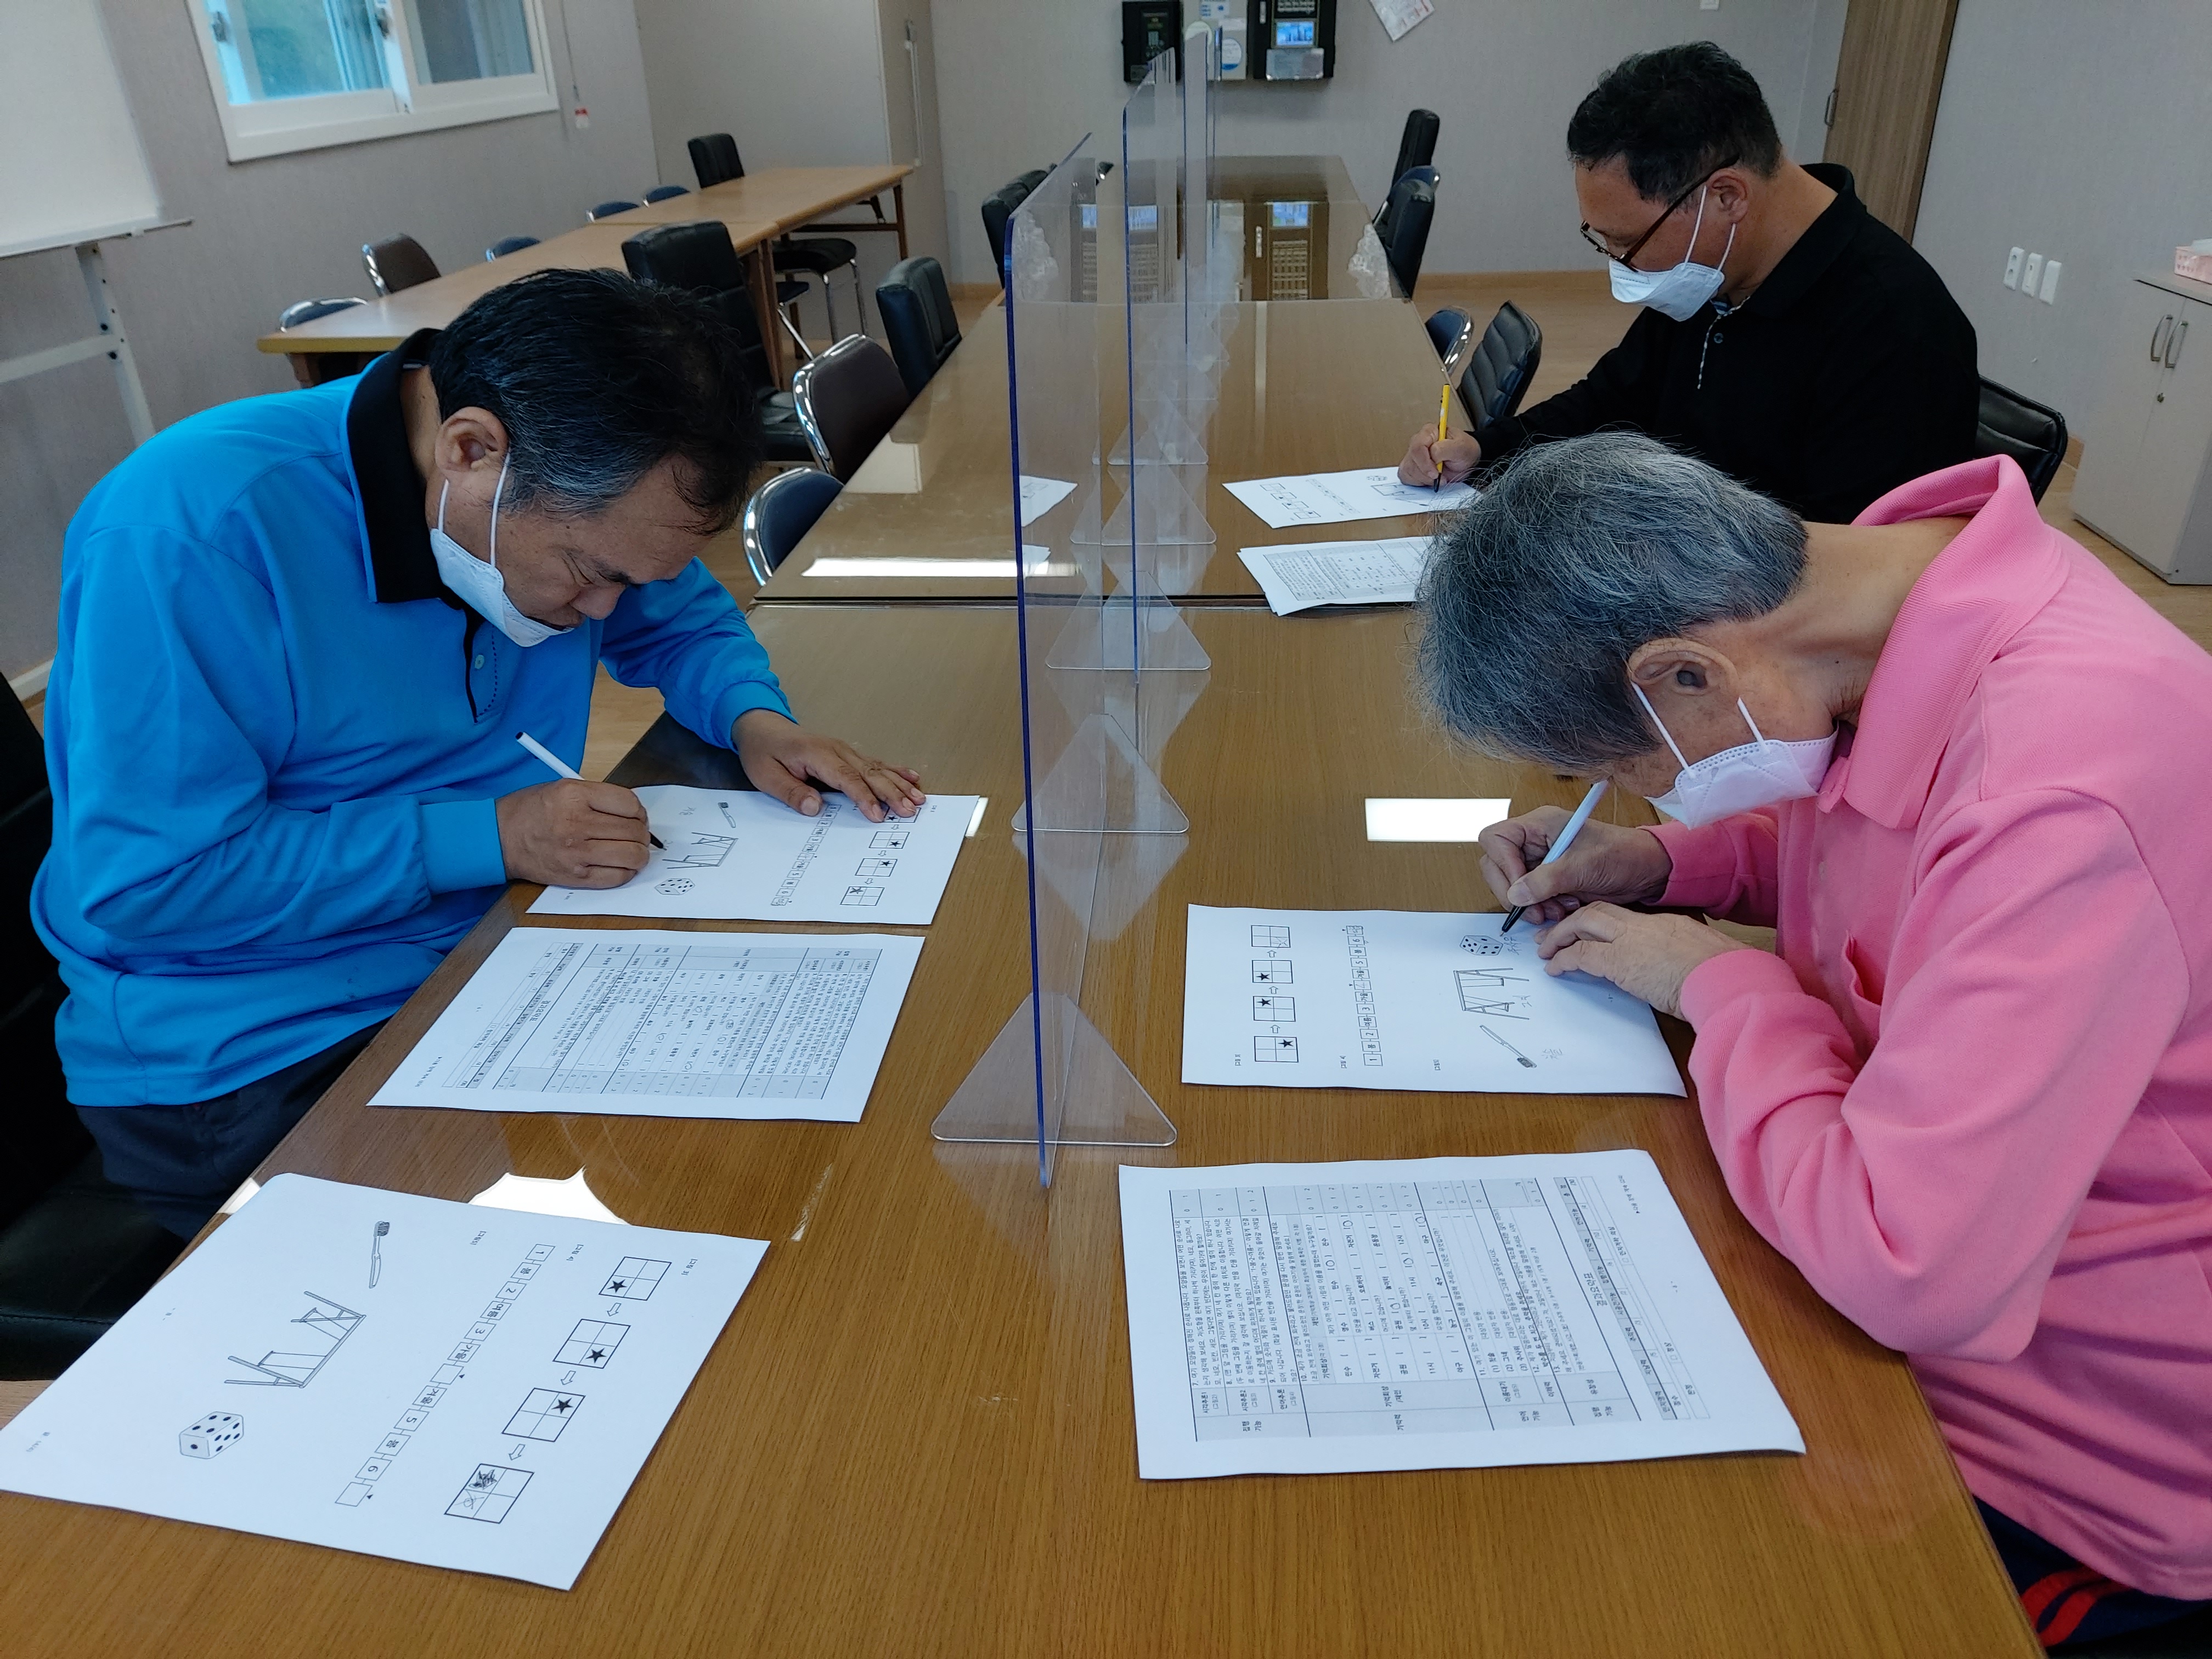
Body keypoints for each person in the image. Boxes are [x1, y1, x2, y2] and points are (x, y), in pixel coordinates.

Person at [1418, 433, 2212, 1649]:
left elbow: (1912, 1269)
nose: (1644, 788)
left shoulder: (2055, 789)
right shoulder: (1878, 606)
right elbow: (1861, 838)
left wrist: (1720, 987)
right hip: (1878, 1257)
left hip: (2068, 1439)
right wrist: (1666, 859)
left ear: (1685, 673)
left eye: (1628, 768)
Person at [35, 269, 924, 1239]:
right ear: (469, 450)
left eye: (628, 581)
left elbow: (676, 614)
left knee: (814, 1125)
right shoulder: (191, 532)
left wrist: (756, 720)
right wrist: (492, 837)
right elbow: (153, 882)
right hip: (262, 1044)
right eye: (589, 574)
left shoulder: (576, 490)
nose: (602, 611)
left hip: (494, 951)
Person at [1400, 42, 1979, 524]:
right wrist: (1486, 453)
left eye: (1628, 241)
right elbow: (1613, 401)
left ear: (1726, 197)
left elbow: (1859, 569)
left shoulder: (1898, 330)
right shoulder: (1714, 273)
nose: (1619, 263)